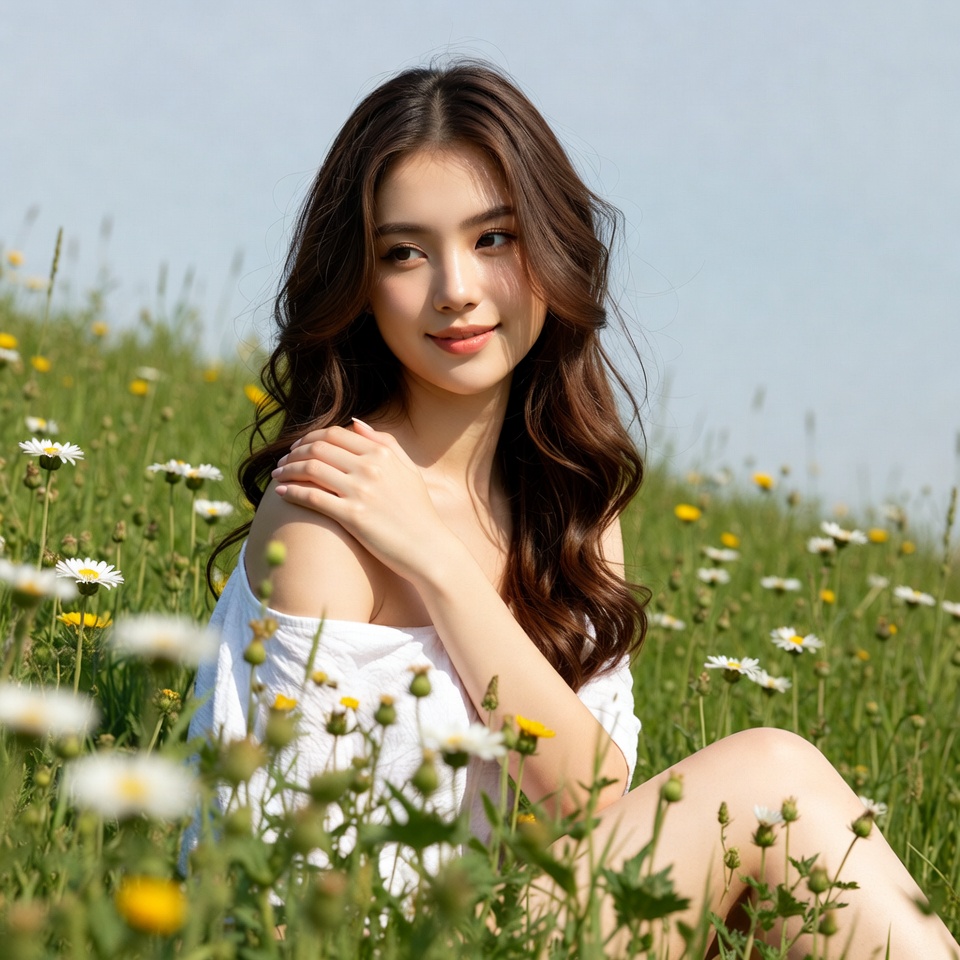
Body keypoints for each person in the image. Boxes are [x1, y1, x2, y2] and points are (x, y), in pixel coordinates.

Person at [189, 62, 957, 957]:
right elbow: (273, 872)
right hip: (362, 940)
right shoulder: (328, 512)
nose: (455, 290)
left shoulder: (570, 502)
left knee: (781, 807)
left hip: (522, 916)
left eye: (494, 239)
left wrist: (436, 562)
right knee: (768, 780)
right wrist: (428, 555)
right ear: (359, 280)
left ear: (552, 250)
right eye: (405, 252)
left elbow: (583, 803)